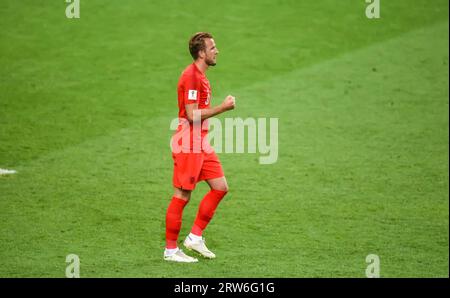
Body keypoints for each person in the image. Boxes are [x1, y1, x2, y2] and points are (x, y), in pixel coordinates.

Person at [164, 32, 236, 263]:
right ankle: (171, 250)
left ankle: (194, 237)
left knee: (220, 186)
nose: (217, 51)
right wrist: (223, 108)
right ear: (201, 53)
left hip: (201, 141)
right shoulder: (192, 76)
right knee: (182, 194)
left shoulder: (200, 75)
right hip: (189, 142)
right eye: (212, 47)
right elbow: (192, 114)